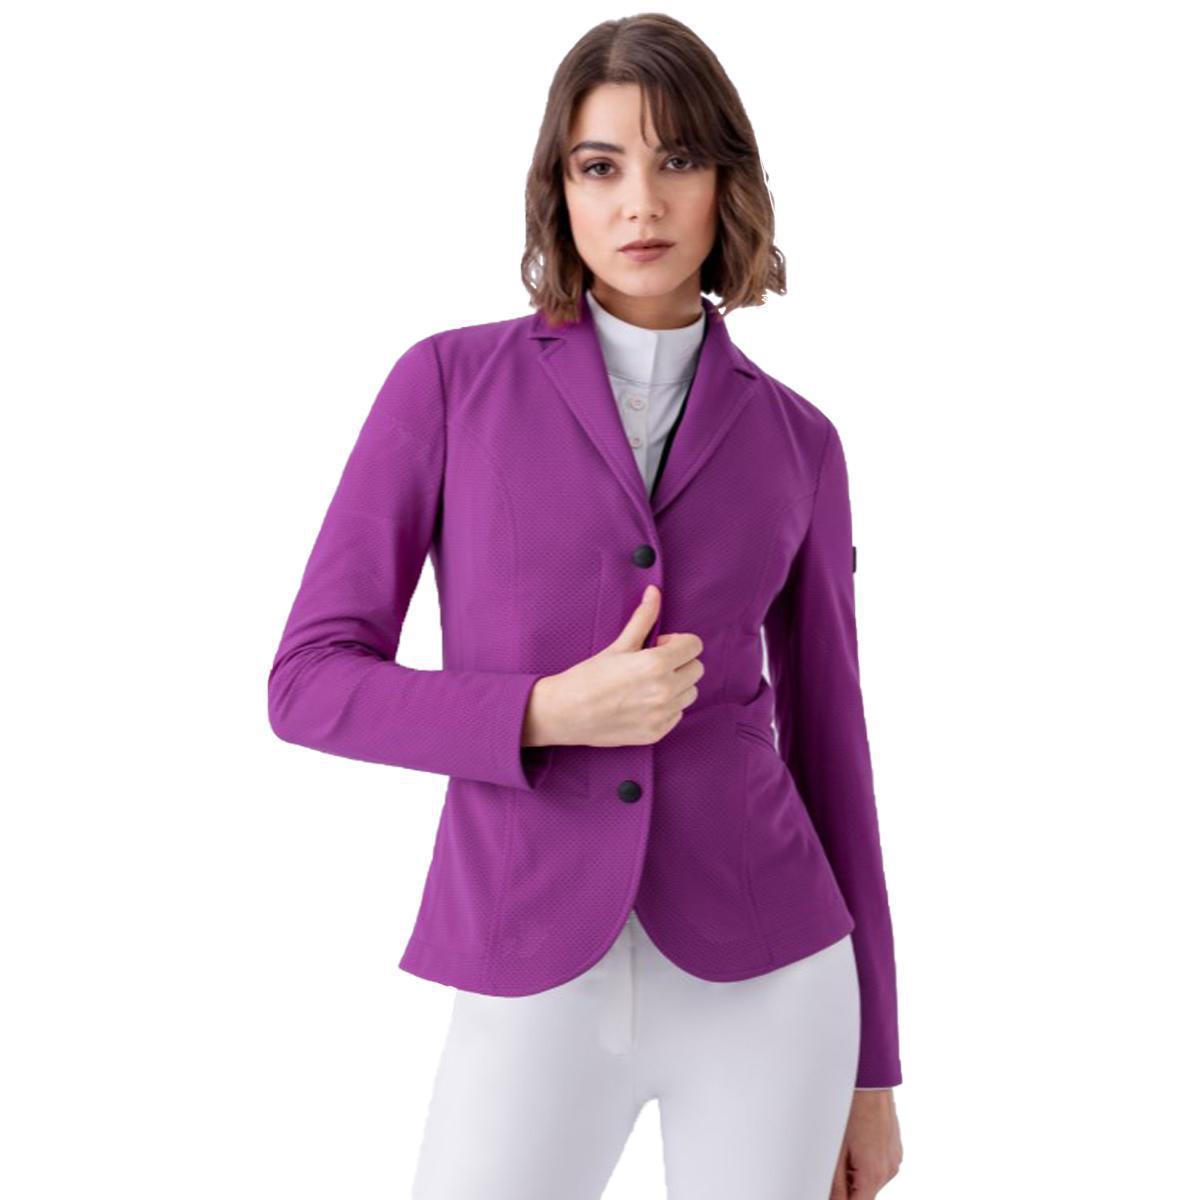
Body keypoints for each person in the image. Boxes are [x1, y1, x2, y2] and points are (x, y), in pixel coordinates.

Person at [269, 14, 903, 1200]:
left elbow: (833, 748)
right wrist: (543, 712)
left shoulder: (801, 443)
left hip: (774, 977)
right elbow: (307, 682)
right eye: (601, 166)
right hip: (528, 958)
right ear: (558, 191)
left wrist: (875, 1068)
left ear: (726, 184)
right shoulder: (448, 384)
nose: (640, 204)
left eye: (678, 161)